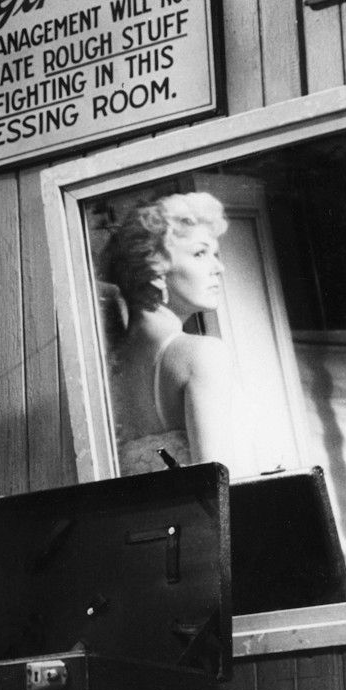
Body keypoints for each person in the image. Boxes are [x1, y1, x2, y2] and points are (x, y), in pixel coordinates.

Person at [101, 191, 254, 477]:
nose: (219, 268)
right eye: (200, 253)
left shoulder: (107, 368)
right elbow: (218, 487)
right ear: (155, 270)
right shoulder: (203, 354)